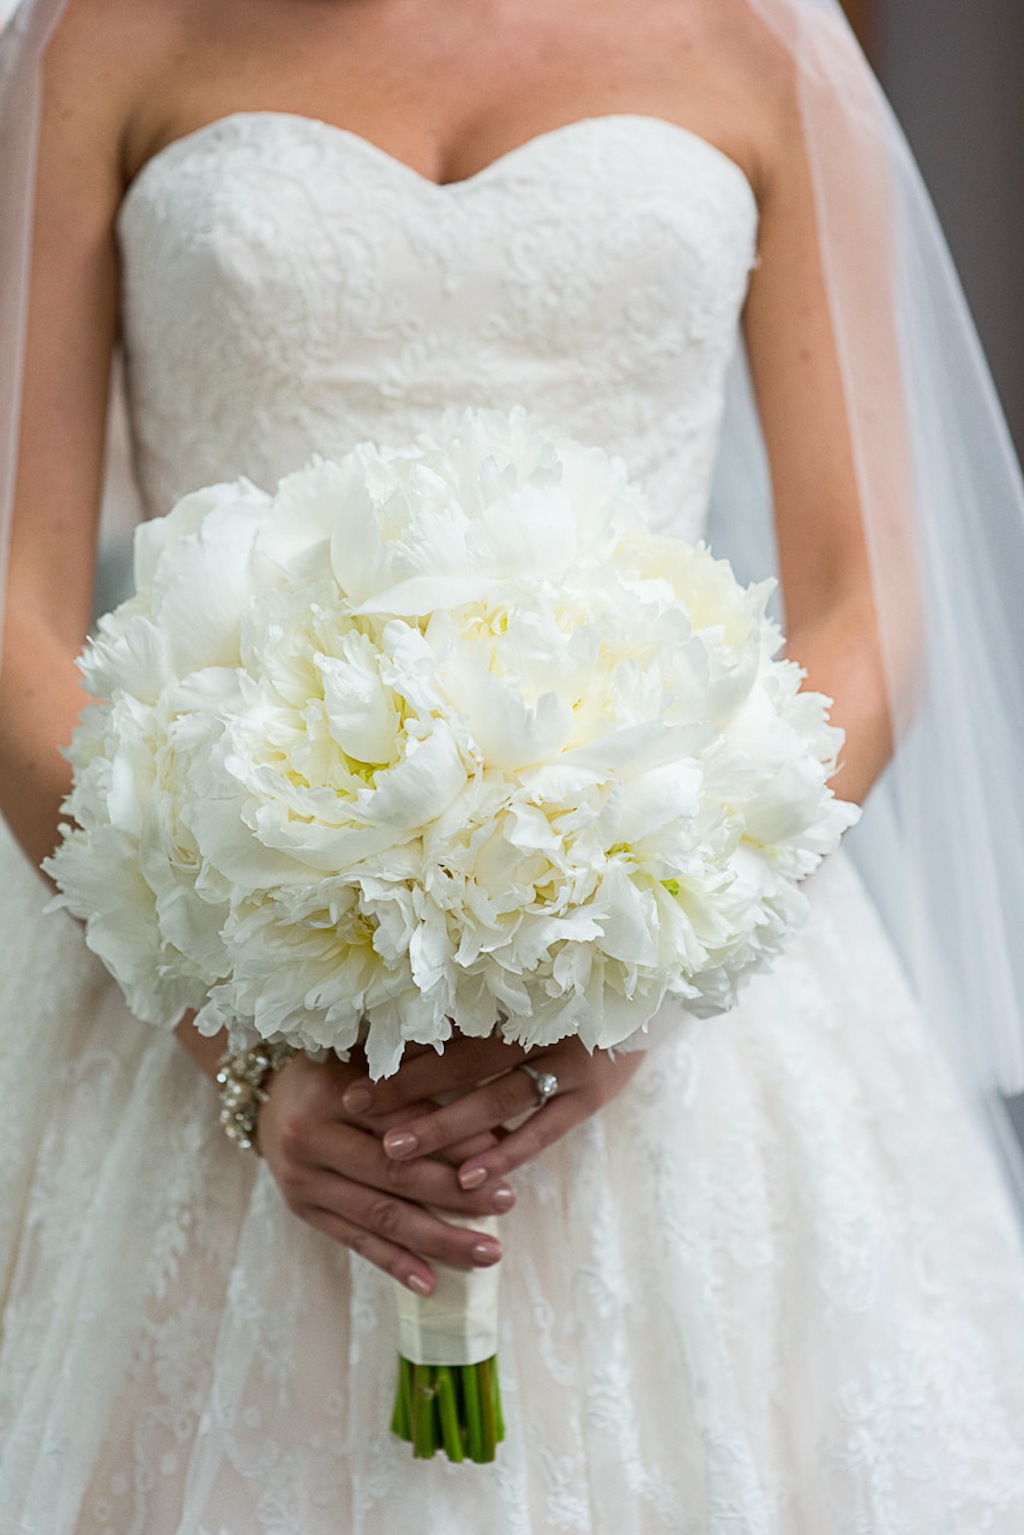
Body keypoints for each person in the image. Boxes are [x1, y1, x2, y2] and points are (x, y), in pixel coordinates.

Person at [2, 0, 1024, 1529]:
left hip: (671, 986)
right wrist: (240, 1050)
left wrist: (649, 968)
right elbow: (12, 599)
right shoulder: (101, 39)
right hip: (197, 950)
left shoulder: (761, 43)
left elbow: (865, 595)